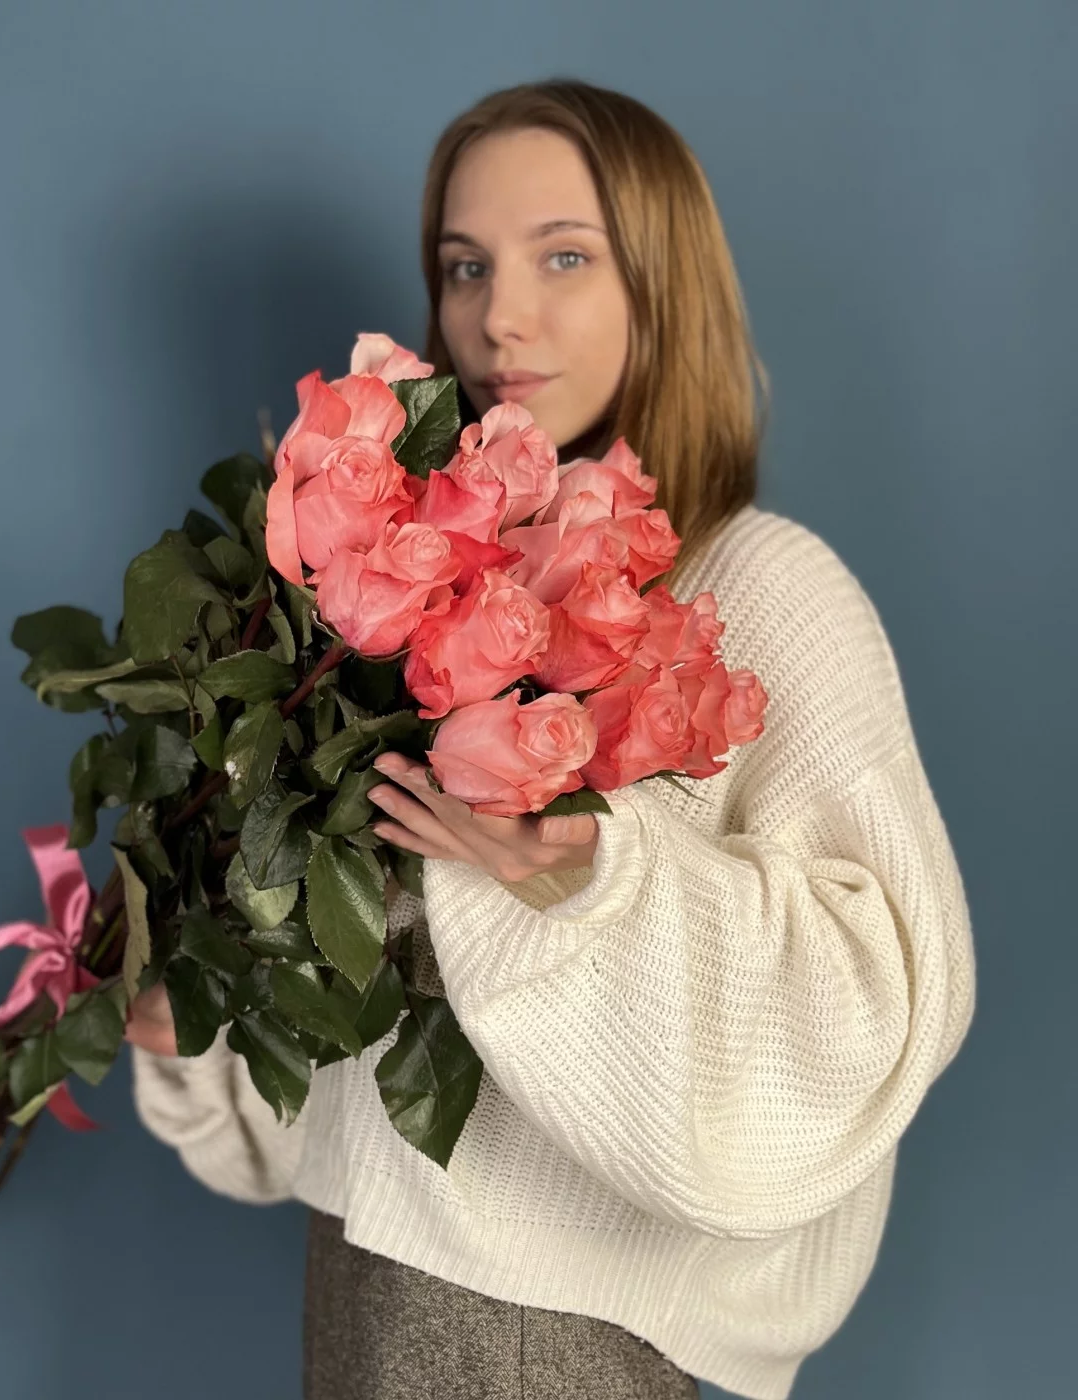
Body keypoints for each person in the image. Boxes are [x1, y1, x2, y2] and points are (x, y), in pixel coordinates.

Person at [124, 79, 977, 1400]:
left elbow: (887, 993)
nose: (497, 317)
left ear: (663, 283)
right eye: (465, 266)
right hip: (362, 1284)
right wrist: (206, 1016)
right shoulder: (411, 589)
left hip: (552, 1337)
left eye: (563, 257)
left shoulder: (765, 589)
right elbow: (354, 1052)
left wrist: (597, 877)